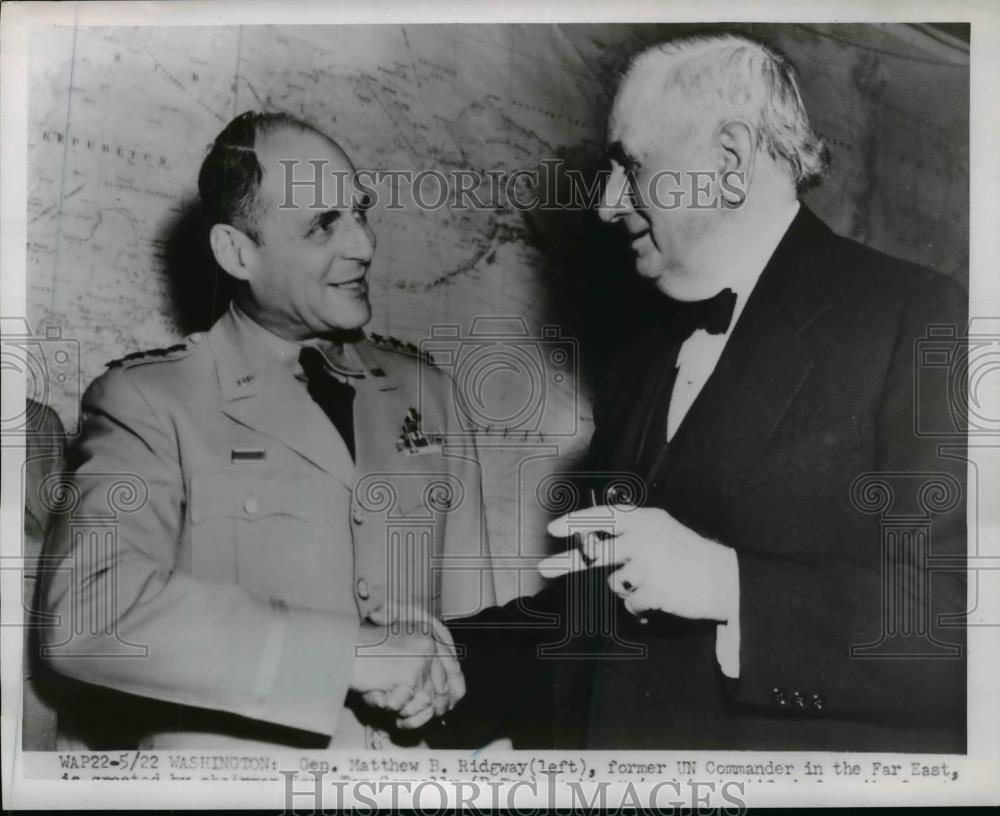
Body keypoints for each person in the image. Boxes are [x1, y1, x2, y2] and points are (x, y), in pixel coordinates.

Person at [433, 33, 967, 752]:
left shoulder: (917, 317)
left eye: (630, 166)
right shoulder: (643, 355)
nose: (605, 204)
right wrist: (438, 658)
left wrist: (727, 585)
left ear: (728, 159)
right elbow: (597, 625)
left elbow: (955, 625)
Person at [40, 111, 495, 750]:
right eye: (322, 225)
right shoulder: (147, 401)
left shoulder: (427, 392)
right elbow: (88, 615)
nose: (363, 244)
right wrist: (349, 655)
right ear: (237, 252)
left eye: (359, 212)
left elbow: (477, 626)